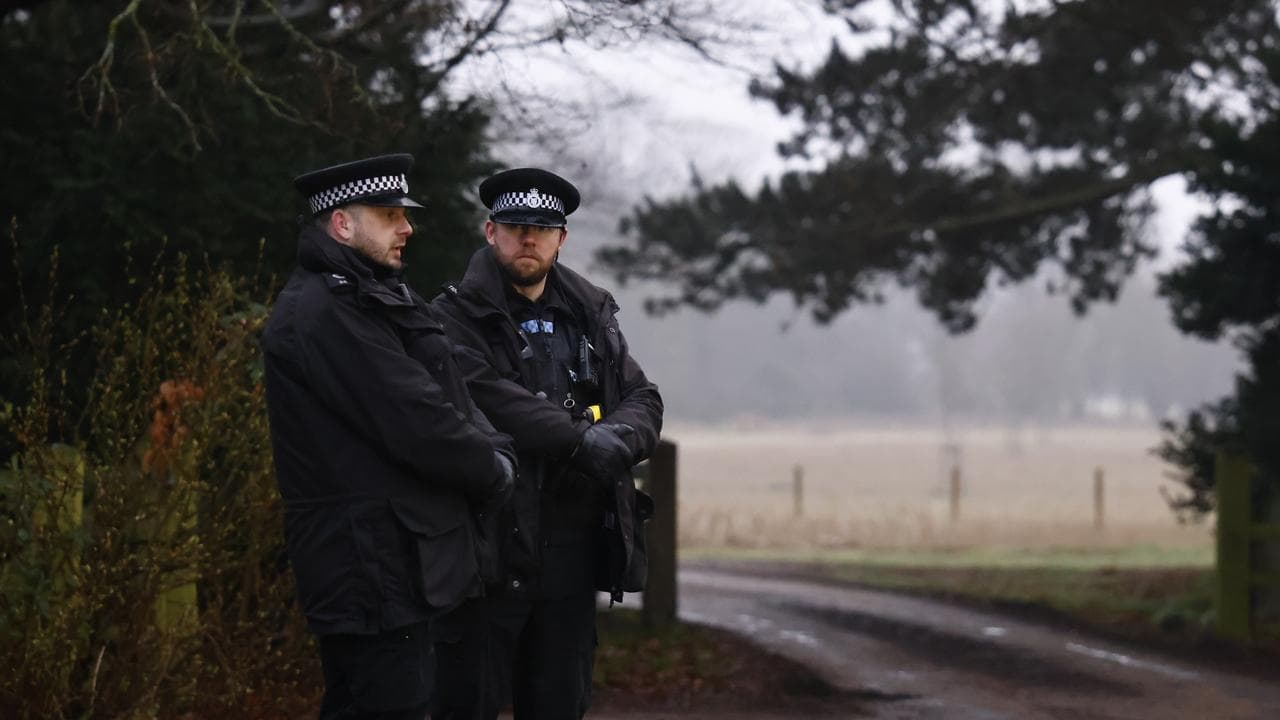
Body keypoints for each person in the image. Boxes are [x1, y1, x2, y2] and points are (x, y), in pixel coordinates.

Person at [262, 153, 516, 720]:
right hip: (368, 570)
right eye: (389, 214)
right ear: (342, 224)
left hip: (396, 564)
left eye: (405, 214)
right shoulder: (324, 313)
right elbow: (415, 418)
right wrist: (493, 468)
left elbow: (448, 387)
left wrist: (490, 446)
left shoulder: (375, 297)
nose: (407, 227)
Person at [429, 167, 664, 719]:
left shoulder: (591, 315)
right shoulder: (451, 317)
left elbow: (643, 397)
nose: (527, 238)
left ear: (562, 238)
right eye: (514, 225)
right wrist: (583, 441)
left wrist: (619, 437)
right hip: (486, 551)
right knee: (466, 704)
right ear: (491, 233)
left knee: (560, 704)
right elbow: (488, 396)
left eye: (541, 227)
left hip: (571, 554)